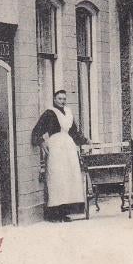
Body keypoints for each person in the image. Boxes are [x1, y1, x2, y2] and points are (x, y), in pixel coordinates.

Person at [31, 90, 89, 222]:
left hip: (68, 147)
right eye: (59, 98)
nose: (62, 101)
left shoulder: (68, 112)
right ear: (54, 99)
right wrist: (41, 142)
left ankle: (64, 212)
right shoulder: (49, 113)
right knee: (57, 177)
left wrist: (85, 140)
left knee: (68, 178)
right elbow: (37, 131)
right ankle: (53, 214)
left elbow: (74, 132)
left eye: (64, 99)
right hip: (56, 147)